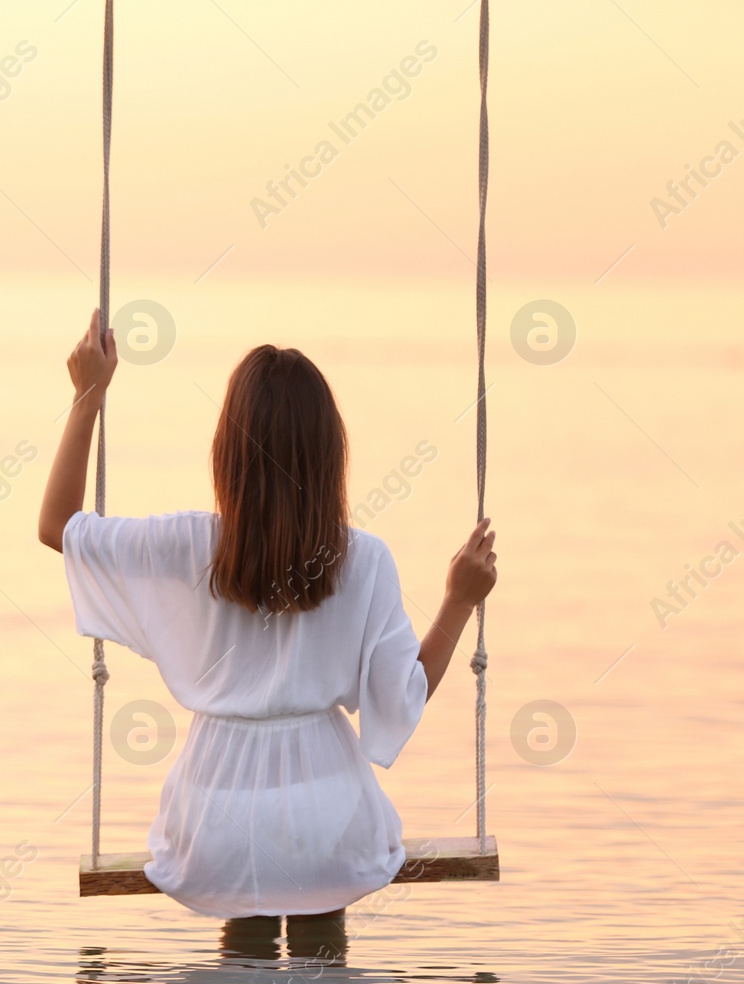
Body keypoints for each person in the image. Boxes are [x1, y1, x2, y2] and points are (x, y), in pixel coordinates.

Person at [39, 310, 498, 921]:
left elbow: (57, 528)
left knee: (240, 975)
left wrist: (88, 394)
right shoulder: (362, 560)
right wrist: (460, 600)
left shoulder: (185, 547)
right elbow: (405, 691)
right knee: (324, 964)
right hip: (325, 811)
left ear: (227, 449)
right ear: (330, 452)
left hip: (214, 815)